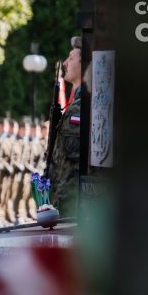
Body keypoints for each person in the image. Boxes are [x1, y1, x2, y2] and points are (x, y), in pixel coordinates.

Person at [49, 36, 85, 218]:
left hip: (70, 205)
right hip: (64, 201)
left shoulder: (81, 106)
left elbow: (75, 162)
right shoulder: (77, 103)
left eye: (71, 58)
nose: (65, 63)